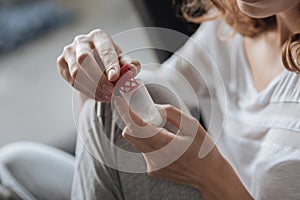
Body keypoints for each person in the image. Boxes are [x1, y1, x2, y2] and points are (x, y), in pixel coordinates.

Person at [54, 0, 300, 199]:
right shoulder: (229, 32)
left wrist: (211, 175)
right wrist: (95, 74)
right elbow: (135, 104)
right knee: (17, 162)